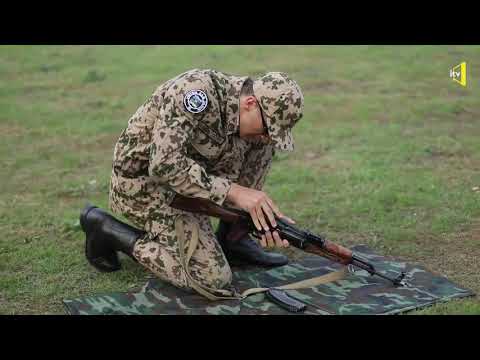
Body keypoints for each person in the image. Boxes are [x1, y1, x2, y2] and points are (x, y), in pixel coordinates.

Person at [80, 68, 304, 294]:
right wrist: (234, 192)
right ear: (250, 103)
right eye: (268, 128)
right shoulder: (195, 94)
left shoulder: (250, 118)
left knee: (262, 147)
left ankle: (234, 237)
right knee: (212, 280)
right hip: (146, 184)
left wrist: (255, 218)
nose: (267, 136)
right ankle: (106, 230)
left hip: (194, 182)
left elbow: (246, 146)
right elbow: (163, 165)